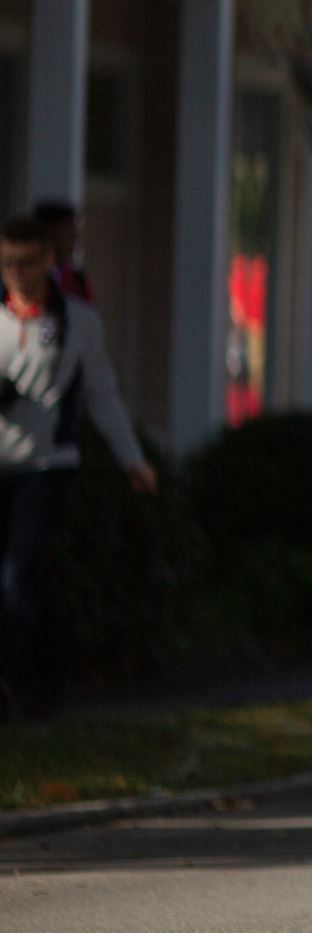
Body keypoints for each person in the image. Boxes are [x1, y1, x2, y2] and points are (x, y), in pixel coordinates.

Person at [0, 212, 155, 722]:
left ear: (48, 260)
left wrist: (132, 460)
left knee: (19, 572)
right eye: (6, 264)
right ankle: (47, 674)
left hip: (48, 465)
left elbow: (103, 396)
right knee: (24, 580)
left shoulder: (78, 323)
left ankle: (15, 678)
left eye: (25, 263)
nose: (15, 274)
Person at [30, 202, 90, 304]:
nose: (74, 236)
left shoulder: (78, 280)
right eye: (67, 228)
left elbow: (89, 316)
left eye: (74, 230)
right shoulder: (24, 275)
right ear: (49, 231)